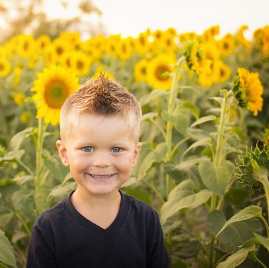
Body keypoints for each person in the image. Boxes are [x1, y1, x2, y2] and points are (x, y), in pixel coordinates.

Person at [26, 74, 169, 268]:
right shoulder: (49, 229)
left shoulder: (146, 222)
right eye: (88, 148)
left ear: (135, 155)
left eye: (116, 149)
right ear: (64, 153)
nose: (101, 162)